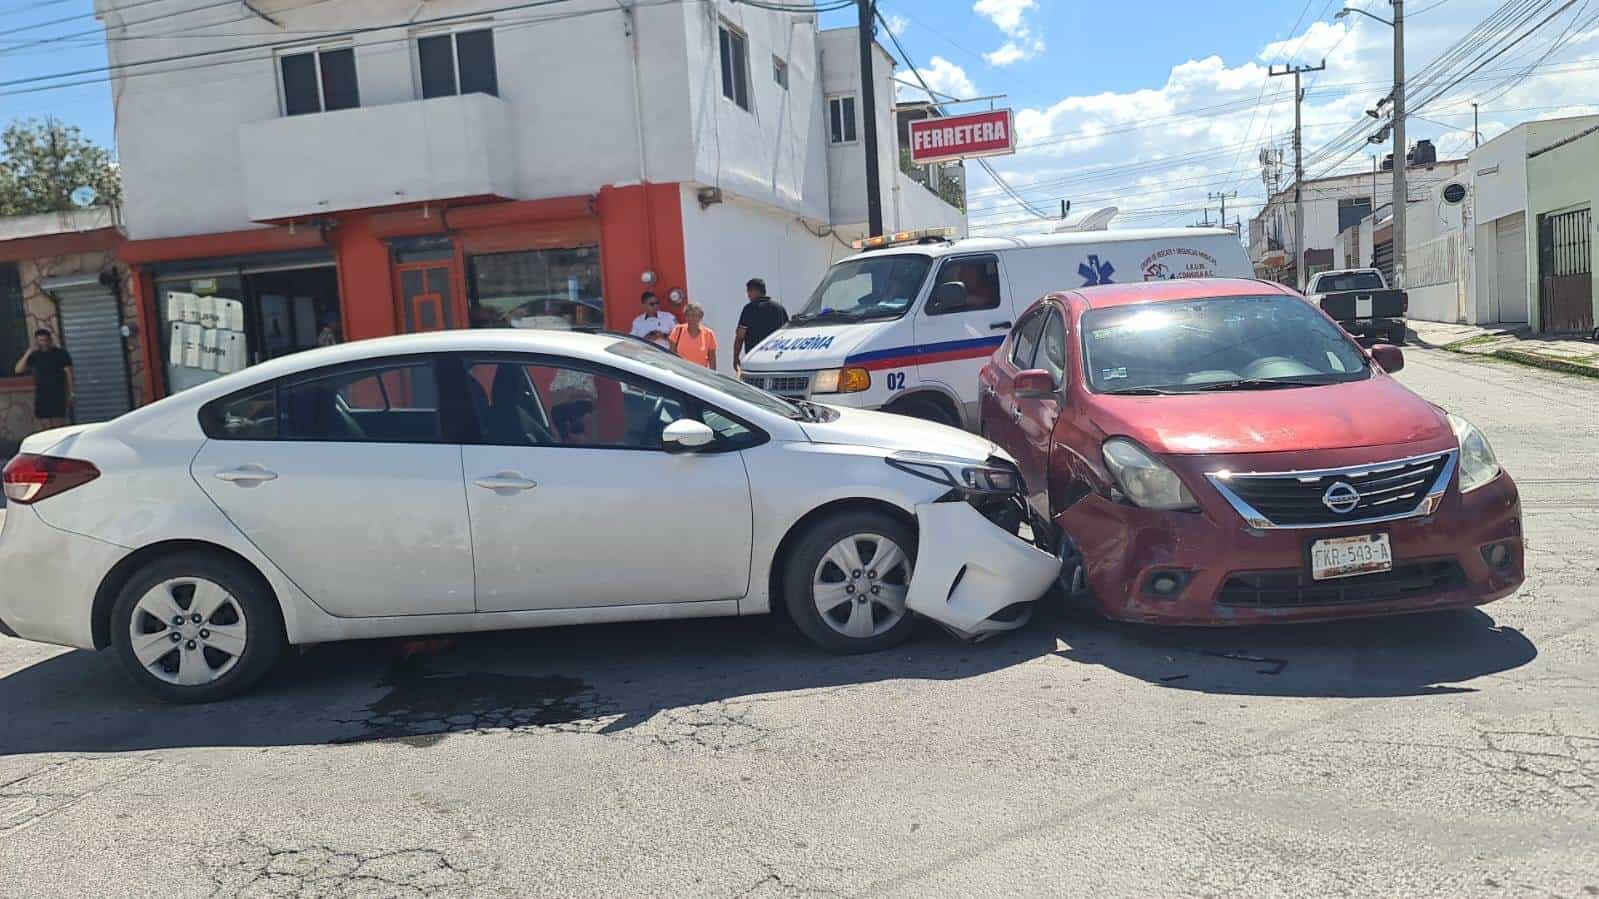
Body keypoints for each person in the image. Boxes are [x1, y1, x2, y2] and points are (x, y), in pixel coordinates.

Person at [13, 329, 74, 430]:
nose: (44, 343)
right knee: (45, 425)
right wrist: (28, 353)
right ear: (37, 341)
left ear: (50, 340)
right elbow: (18, 370)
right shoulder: (35, 355)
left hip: (57, 393)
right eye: (40, 340)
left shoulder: (60, 353)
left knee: (59, 425)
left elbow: (69, 373)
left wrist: (71, 391)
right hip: (42, 394)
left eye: (45, 340)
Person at [733, 277, 788, 371]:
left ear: (754, 291)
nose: (748, 295)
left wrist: (735, 357)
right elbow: (787, 334)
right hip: (776, 359)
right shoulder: (779, 308)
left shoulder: (749, 309)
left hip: (755, 360)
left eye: (749, 291)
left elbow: (740, 336)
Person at [669, 302, 718, 370]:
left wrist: (712, 378)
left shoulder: (709, 334)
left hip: (699, 374)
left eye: (695, 315)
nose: (692, 318)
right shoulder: (678, 330)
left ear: (701, 317)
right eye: (689, 315)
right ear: (685, 316)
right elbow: (671, 354)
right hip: (679, 372)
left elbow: (712, 358)